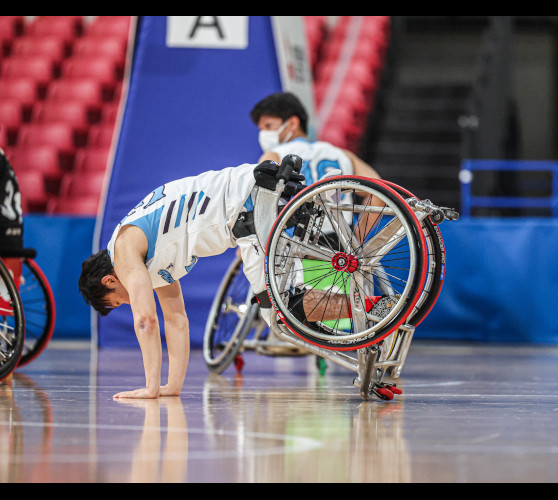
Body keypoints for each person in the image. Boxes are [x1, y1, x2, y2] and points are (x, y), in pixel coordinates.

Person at [78, 157, 388, 400]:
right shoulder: (151, 254)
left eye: (120, 300)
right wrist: (170, 386)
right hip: (250, 193)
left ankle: (375, 307)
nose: (130, 298)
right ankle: (377, 307)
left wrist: (149, 387)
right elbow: (177, 320)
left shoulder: (123, 249)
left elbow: (146, 321)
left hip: (244, 208)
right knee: (283, 307)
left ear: (109, 280)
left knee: (280, 313)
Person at [250, 92, 381, 183]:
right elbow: (379, 191)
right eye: (261, 129)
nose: (263, 134)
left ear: (292, 123)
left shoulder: (274, 156)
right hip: (340, 223)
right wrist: (361, 225)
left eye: (268, 126)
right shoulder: (343, 155)